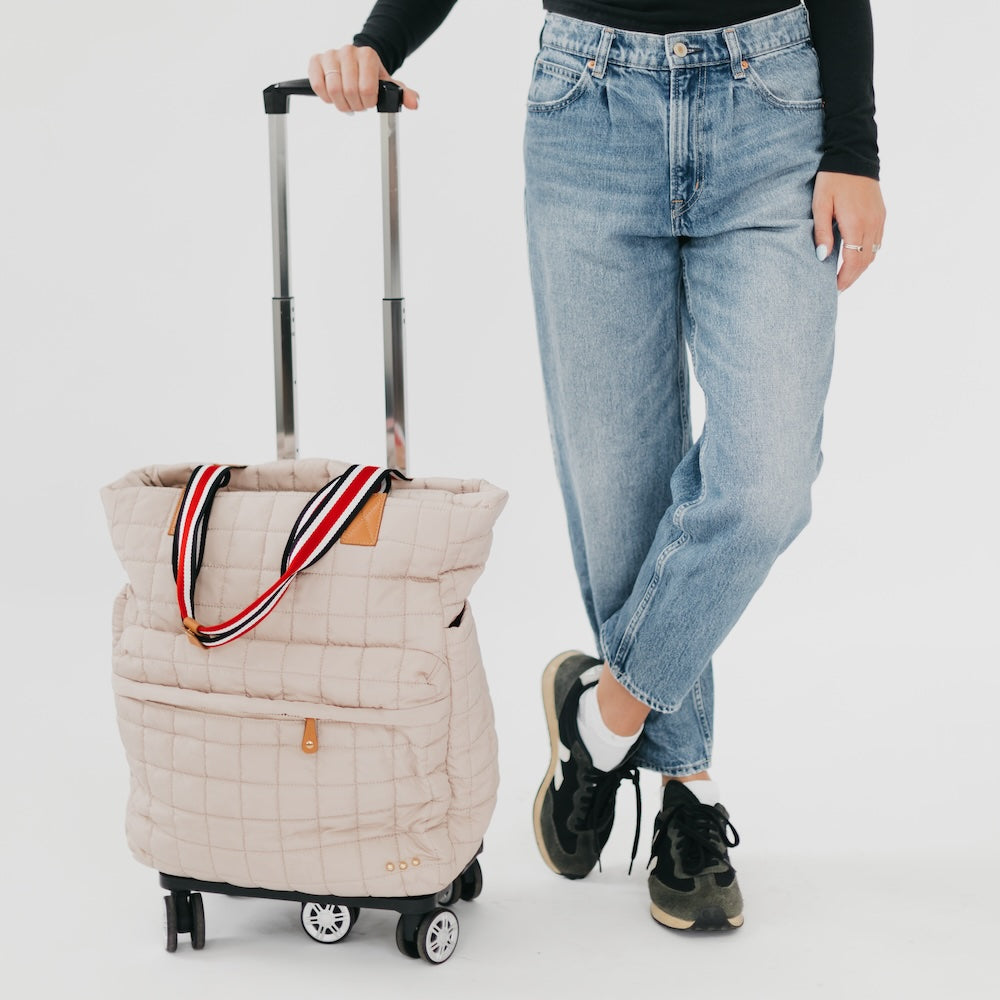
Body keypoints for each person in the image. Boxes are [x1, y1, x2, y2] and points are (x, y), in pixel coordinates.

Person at [308, 0, 885, 932]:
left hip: (771, 107)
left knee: (767, 482)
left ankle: (602, 717)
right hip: (589, 110)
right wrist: (381, 41)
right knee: (623, 494)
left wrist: (854, 145)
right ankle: (686, 796)